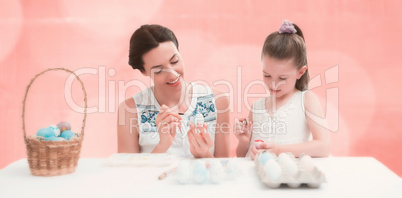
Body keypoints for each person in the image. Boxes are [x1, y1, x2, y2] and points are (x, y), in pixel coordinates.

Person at [117, 24, 230, 158]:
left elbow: (224, 171)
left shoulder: (218, 101)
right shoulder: (130, 110)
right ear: (143, 71)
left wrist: (203, 154)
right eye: (159, 70)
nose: (172, 74)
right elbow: (127, 174)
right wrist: (162, 146)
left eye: (174, 61)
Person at [235, 20, 330, 159]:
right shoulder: (257, 108)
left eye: (282, 78)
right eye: (267, 75)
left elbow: (324, 147)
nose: (274, 84)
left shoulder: (306, 100)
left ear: (300, 72)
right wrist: (243, 141)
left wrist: (278, 150)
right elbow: (241, 157)